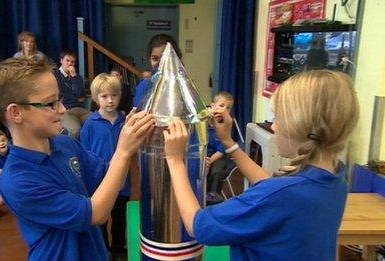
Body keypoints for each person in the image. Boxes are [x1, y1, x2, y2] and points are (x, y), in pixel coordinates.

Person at [162, 70, 359, 260]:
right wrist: (228, 143)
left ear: (299, 125)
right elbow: (271, 187)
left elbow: (197, 226)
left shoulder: (282, 195)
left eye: (277, 118)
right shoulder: (335, 176)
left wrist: (175, 160)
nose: (273, 126)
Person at [0, 57, 155, 260]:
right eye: (51, 103)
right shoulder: (18, 181)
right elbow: (95, 213)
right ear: (16, 112)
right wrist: (124, 150)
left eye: (59, 99)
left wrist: (136, 139)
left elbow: (107, 175)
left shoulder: (65, 144)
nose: (62, 109)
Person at [80, 73, 129, 258]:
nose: (110, 100)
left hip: (122, 181)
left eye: (114, 95)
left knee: (119, 218)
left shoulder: (125, 121)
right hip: (98, 182)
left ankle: (118, 248)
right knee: (100, 219)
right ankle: (102, 251)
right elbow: (84, 155)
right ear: (96, 98)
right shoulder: (90, 125)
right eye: (104, 96)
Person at [133, 34, 182, 108]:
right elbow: (138, 111)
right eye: (155, 59)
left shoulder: (182, 86)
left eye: (165, 59)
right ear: (149, 59)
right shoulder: (144, 87)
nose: (160, 63)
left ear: (176, 59)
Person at [53, 50, 91, 138]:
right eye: (67, 60)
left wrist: (74, 77)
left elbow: (81, 97)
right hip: (65, 110)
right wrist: (74, 97)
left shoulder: (77, 77)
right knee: (75, 130)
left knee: (97, 122)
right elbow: (59, 96)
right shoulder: (55, 76)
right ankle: (69, 151)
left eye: (72, 62)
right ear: (61, 61)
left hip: (79, 109)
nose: (70, 64)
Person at [206, 92, 236, 196]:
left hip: (219, 156)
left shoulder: (226, 124)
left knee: (217, 171)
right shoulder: (204, 120)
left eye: (228, 108)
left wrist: (209, 161)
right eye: (221, 106)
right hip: (203, 154)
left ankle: (213, 197)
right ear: (212, 106)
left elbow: (221, 151)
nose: (224, 110)